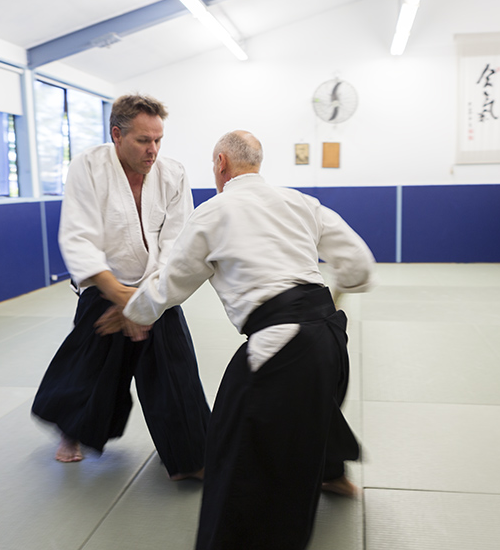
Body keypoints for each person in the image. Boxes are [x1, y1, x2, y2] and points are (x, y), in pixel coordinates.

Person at [96, 130, 376, 549]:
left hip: (280, 344)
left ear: (221, 163)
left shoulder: (212, 212)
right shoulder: (302, 202)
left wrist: (132, 311)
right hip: (332, 342)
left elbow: (173, 282)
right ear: (257, 162)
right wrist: (335, 293)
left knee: (231, 440)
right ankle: (330, 472)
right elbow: (359, 265)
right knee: (308, 399)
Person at [31, 94, 209, 481]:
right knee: (92, 367)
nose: (153, 150)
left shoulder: (172, 173)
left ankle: (190, 456)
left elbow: (176, 243)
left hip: (156, 285)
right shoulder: (89, 168)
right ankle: (71, 432)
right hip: (103, 284)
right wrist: (121, 298)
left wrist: (145, 302)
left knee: (174, 367)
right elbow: (78, 238)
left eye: (159, 140)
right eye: (144, 140)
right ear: (117, 134)